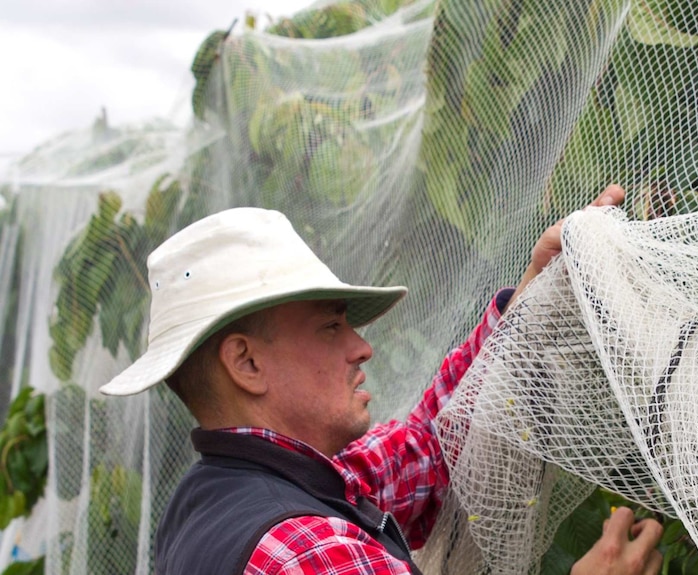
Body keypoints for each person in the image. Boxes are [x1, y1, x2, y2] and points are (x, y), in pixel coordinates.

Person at [101, 184, 663, 575]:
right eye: (329, 327)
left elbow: (430, 443)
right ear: (246, 364)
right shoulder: (306, 551)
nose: (361, 346)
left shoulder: (221, 500)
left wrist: (529, 297)